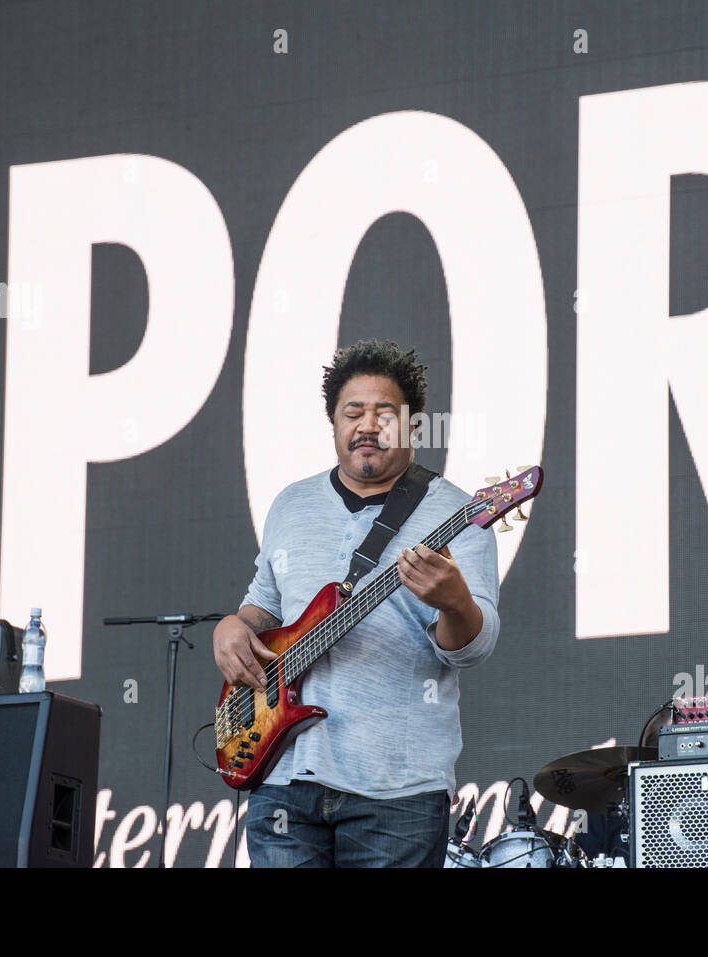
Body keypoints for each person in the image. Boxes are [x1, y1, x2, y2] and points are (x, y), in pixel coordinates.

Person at [212, 339, 500, 867]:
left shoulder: (461, 514)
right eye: (353, 412)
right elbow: (263, 607)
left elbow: (471, 650)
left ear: (413, 426)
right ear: (335, 424)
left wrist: (455, 602)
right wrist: (233, 626)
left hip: (398, 789)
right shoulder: (291, 504)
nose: (367, 425)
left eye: (384, 413)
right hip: (281, 774)